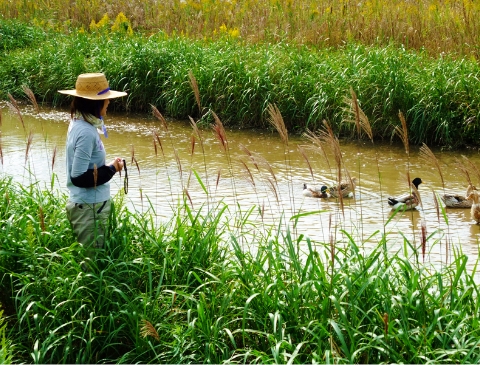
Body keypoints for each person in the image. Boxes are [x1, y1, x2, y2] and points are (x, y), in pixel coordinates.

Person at [59, 73, 127, 268]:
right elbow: (79, 176)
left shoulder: (78, 122)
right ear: (94, 104)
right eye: (105, 100)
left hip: (87, 206)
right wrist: (112, 169)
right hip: (90, 209)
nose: (108, 103)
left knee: (90, 261)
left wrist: (107, 168)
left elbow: (85, 166)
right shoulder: (87, 131)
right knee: (92, 266)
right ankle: (89, 298)